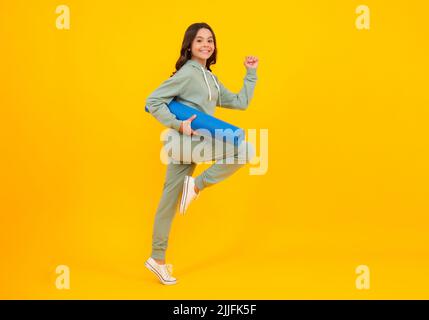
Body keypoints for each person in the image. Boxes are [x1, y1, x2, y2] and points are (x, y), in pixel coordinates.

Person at [144, 22, 259, 285]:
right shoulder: (188, 73)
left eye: (210, 40)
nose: (206, 44)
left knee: (168, 202)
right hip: (185, 142)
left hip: (189, 145)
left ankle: (157, 259)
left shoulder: (210, 78)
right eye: (199, 41)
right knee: (246, 150)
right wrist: (178, 123)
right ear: (189, 46)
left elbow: (241, 102)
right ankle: (195, 187)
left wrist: (250, 73)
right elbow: (152, 101)